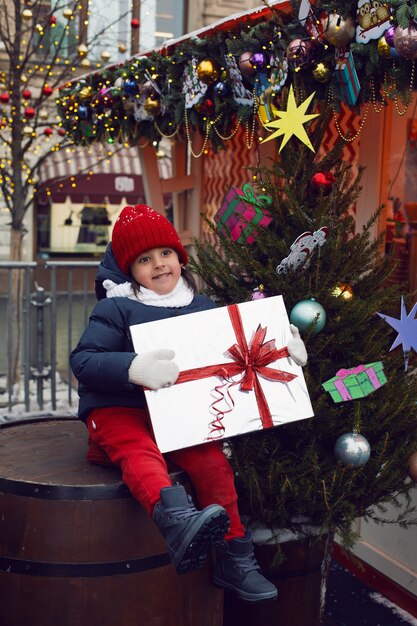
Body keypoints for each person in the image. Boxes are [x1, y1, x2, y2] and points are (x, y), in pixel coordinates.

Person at [70, 204, 308, 603]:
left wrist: (284, 352)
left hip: (180, 416)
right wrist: (132, 366)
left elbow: (233, 358)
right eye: (144, 260)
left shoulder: (203, 306)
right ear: (130, 269)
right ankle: (177, 522)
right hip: (119, 411)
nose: (159, 265)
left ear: (180, 257)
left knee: (213, 464)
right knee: (138, 450)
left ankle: (235, 557)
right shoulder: (115, 307)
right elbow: (84, 360)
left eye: (165, 253)